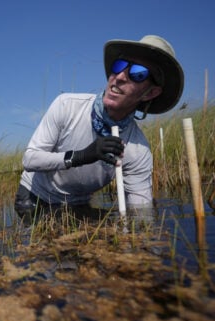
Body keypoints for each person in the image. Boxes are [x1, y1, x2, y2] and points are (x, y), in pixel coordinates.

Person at [14, 35, 184, 224]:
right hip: (35, 197)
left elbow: (140, 212)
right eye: (119, 66)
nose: (119, 77)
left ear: (151, 93)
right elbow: (30, 159)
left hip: (77, 204)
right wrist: (82, 156)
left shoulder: (138, 151)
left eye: (137, 73)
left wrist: (144, 244)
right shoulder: (67, 106)